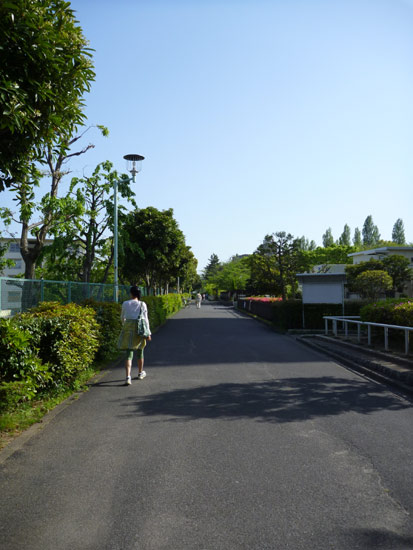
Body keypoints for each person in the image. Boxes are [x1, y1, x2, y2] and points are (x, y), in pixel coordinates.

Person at [118, 286, 151, 385]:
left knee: (129, 353)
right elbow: (145, 319)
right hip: (139, 329)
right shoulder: (142, 304)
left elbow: (122, 317)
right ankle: (140, 373)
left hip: (128, 327)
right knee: (140, 351)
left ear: (131, 293)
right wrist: (148, 333)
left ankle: (128, 377)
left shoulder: (125, 303)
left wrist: (125, 324)